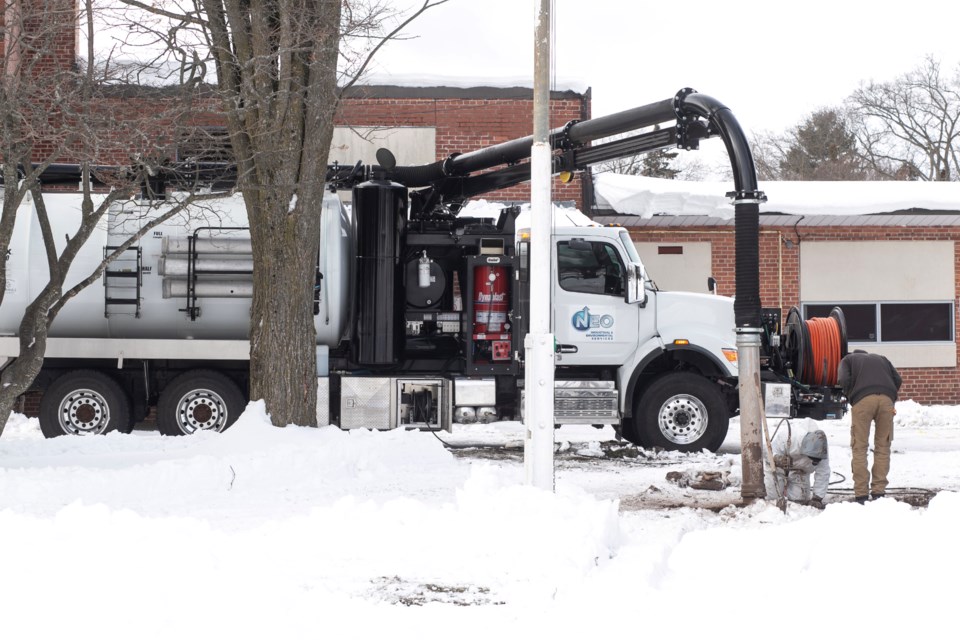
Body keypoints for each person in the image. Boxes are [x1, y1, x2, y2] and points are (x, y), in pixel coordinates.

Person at [838, 349, 902, 504]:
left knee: (859, 447)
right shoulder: (882, 358)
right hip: (887, 400)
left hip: (862, 400)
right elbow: (898, 380)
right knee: (883, 446)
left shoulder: (848, 360)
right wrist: (890, 396)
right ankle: (879, 491)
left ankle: (861, 493)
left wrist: (850, 395)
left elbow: (843, 379)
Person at [764, 418, 831, 509]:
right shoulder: (788, 437)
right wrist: (777, 459)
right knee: (772, 499)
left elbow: (823, 473)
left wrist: (817, 498)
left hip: (800, 472)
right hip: (778, 468)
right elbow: (767, 452)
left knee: (800, 501)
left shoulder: (821, 450)